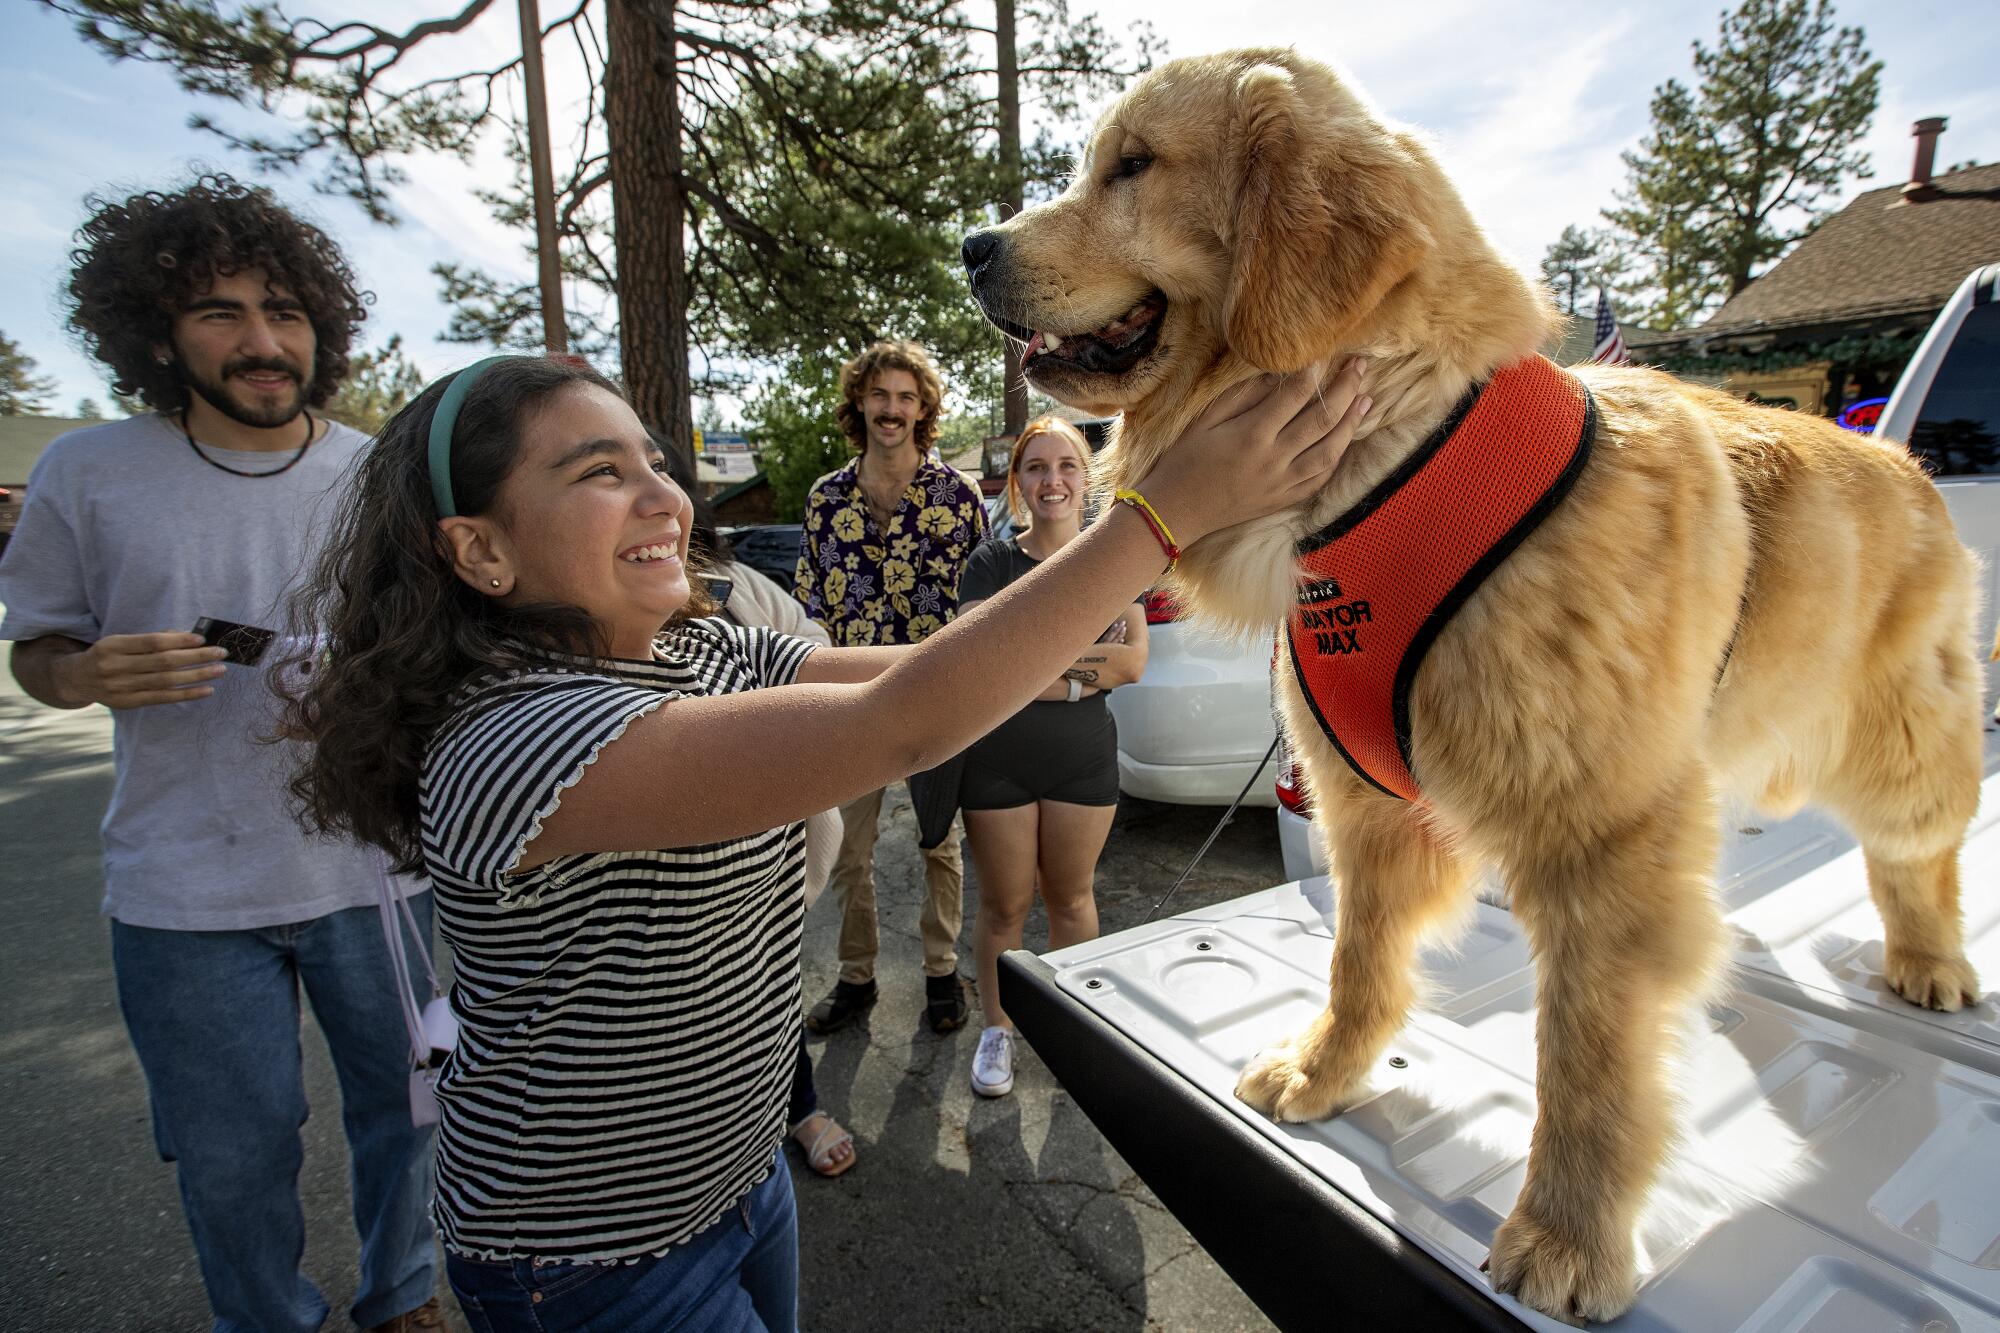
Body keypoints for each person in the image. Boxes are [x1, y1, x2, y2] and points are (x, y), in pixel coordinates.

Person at [279, 351, 1366, 1332]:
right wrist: (1155, 514)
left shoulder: (694, 649)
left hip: (742, 1179)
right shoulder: (514, 735)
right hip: (585, 1254)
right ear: (478, 548)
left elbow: (925, 671)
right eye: (597, 471)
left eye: (654, 463)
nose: (664, 494)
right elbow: (898, 723)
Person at [0, 176, 443, 1333]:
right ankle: (269, 1319)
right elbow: (35, 647)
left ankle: (402, 1297)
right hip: (182, 889)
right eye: (221, 313)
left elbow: (435, 643)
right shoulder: (86, 472)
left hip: (373, 874)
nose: (261, 341)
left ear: (321, 330)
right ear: (156, 332)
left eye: (285, 311)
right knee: (232, 1157)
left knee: (412, 1113)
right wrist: (82, 673)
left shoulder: (375, 470)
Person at [663, 442, 855, 1179]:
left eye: (662, 477)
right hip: (616, 1203)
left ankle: (795, 1105)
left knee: (767, 978)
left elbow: (858, 681)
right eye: (603, 475)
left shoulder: (732, 598)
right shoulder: (536, 695)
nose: (654, 503)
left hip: (763, 871)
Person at [792, 340, 990, 1035]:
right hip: (852, 706)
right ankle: (856, 977)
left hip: (936, 698)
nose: (892, 409)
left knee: (940, 844)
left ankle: (941, 972)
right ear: (860, 403)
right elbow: (808, 605)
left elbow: (987, 603)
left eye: (906, 396)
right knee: (848, 849)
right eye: (881, 395)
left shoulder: (958, 498)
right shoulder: (825, 500)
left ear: (924, 408)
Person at [957, 417, 1149, 1097]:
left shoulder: (1108, 556)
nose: (1053, 480)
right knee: (1004, 908)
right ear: (1018, 482)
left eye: (1066, 465)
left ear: (1085, 476)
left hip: (1082, 764)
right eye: (1036, 467)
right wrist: (1075, 672)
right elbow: (981, 665)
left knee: (1071, 897)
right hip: (997, 764)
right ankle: (997, 1028)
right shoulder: (991, 563)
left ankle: (1075, 1029)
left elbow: (1132, 662)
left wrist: (1044, 670)